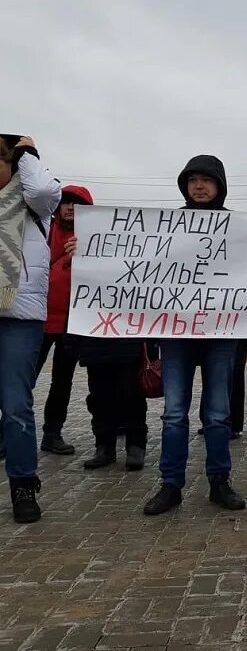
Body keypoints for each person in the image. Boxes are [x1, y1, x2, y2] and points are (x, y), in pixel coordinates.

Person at [143, 155, 247, 516]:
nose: (199, 186)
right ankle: (171, 485)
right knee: (173, 413)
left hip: (220, 335)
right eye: (192, 180)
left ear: (219, 185)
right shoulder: (165, 228)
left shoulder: (241, 228)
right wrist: (87, 250)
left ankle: (219, 481)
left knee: (217, 414)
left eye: (206, 180)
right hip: (176, 335)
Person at [0, 135, 61, 523]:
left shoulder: (33, 202)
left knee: (16, 405)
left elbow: (42, 187)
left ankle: (23, 483)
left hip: (18, 318)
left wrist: (28, 153)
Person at [34, 184, 93, 456]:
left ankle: (52, 433)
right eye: (65, 202)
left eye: (76, 203)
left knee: (62, 381)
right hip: (38, 319)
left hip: (73, 322)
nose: (70, 207)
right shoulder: (41, 229)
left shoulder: (95, 237)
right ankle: (6, 433)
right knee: (25, 379)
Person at [77, 336, 148, 471]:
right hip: (95, 342)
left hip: (130, 341)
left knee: (131, 394)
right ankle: (104, 445)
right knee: (100, 397)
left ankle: (136, 444)